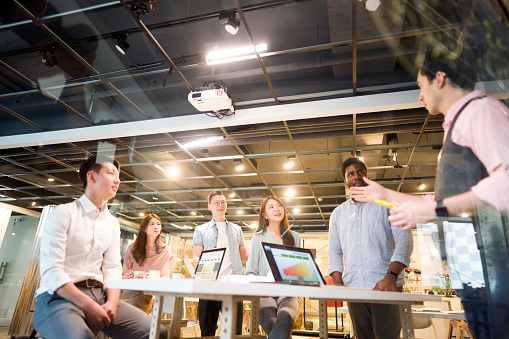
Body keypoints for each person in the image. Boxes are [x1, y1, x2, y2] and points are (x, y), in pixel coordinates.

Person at [349, 53, 509, 339]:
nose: (420, 96)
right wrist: (384, 194)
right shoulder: (457, 125)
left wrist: (436, 211)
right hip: (474, 269)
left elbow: (505, 183)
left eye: (422, 85)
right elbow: (436, 203)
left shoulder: (479, 111)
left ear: (440, 78)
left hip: (497, 266)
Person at [33, 155, 167, 339]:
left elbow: (112, 268)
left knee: (156, 333)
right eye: (111, 173)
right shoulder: (64, 213)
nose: (118, 180)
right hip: (59, 298)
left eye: (118, 175)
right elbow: (51, 271)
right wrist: (89, 306)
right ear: (92, 176)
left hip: (100, 295)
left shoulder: (112, 223)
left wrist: (112, 302)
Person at [328, 157, 412, 339]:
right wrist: (337, 281)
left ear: (366, 177)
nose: (356, 176)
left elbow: (404, 241)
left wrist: (391, 276)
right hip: (354, 288)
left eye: (360, 172)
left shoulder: (387, 205)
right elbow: (335, 249)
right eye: (351, 174)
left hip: (385, 286)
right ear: (345, 181)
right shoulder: (338, 214)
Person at [192, 190, 249, 336]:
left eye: (223, 202)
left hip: (232, 283)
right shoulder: (201, 230)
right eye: (216, 202)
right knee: (207, 330)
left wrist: (258, 251)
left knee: (234, 330)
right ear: (209, 206)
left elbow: (243, 254)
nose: (220, 205)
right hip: (209, 284)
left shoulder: (237, 229)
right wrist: (200, 265)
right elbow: (196, 255)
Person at [245, 195, 301, 339]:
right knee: (271, 322)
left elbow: (300, 272)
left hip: (289, 293)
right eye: (271, 207)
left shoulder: (294, 237)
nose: (277, 209)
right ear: (264, 215)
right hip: (265, 293)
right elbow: (250, 272)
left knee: (285, 319)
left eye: (279, 205)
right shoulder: (258, 237)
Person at [122, 213, 173, 312]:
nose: (156, 226)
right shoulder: (132, 248)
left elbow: (164, 277)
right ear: (144, 228)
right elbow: (123, 273)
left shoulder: (165, 250)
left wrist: (150, 280)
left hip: (146, 296)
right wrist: (125, 276)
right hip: (128, 293)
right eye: (152, 224)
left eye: (158, 224)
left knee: (125, 312)